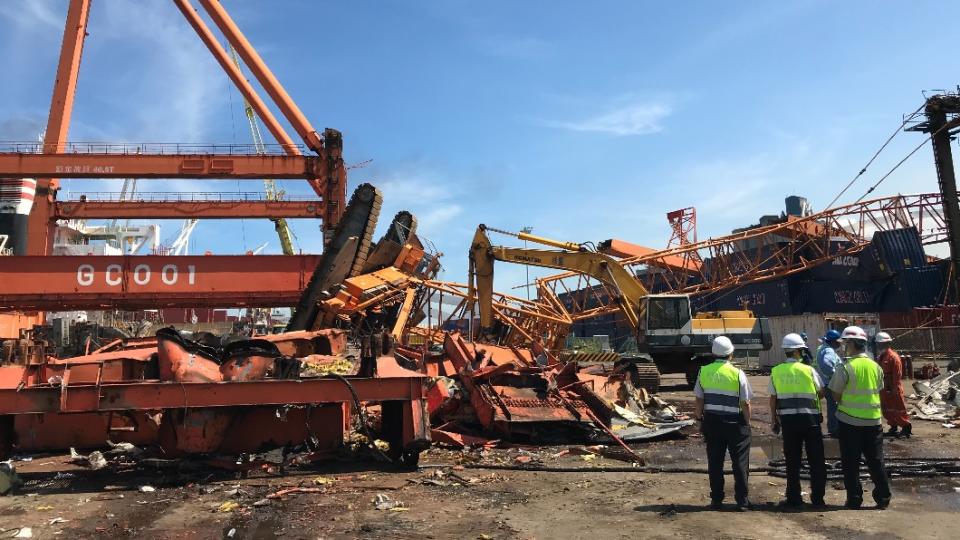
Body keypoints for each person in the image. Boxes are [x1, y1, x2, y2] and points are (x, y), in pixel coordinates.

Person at [829, 325, 891, 510]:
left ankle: (855, 498)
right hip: (874, 422)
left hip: (849, 422)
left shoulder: (845, 367)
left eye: (845, 343)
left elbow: (836, 394)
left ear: (851, 344)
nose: (843, 347)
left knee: (851, 463)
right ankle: (883, 497)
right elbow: (878, 390)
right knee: (876, 461)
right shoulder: (875, 367)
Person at [694, 335, 753, 511]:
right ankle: (742, 501)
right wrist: (747, 422)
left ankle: (717, 500)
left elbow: (699, 399)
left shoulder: (703, 371)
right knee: (740, 462)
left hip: (712, 421)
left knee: (715, 462)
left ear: (713, 353)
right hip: (735, 422)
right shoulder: (737, 374)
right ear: (731, 354)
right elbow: (745, 403)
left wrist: (699, 419)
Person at [769, 333, 827, 508]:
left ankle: (794, 498)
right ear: (797, 351)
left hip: (788, 422)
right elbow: (822, 392)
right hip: (810, 421)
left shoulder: (776, 371)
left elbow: (773, 399)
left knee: (792, 461)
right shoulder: (809, 370)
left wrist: (774, 420)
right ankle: (817, 499)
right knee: (816, 460)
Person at [876, 332, 912, 438]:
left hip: (892, 386)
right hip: (884, 386)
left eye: (880, 343)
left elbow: (897, 374)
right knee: (887, 408)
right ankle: (893, 427)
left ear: (886, 343)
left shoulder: (893, 357)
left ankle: (906, 427)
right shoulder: (881, 356)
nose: (878, 345)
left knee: (898, 407)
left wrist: (894, 388)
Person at [816, 329, 843, 437]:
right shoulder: (829, 351)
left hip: (826, 383)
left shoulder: (823, 348)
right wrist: (835, 377)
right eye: (838, 342)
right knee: (834, 407)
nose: (839, 344)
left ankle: (833, 428)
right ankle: (835, 429)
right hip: (830, 384)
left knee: (832, 407)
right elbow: (827, 364)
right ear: (833, 341)